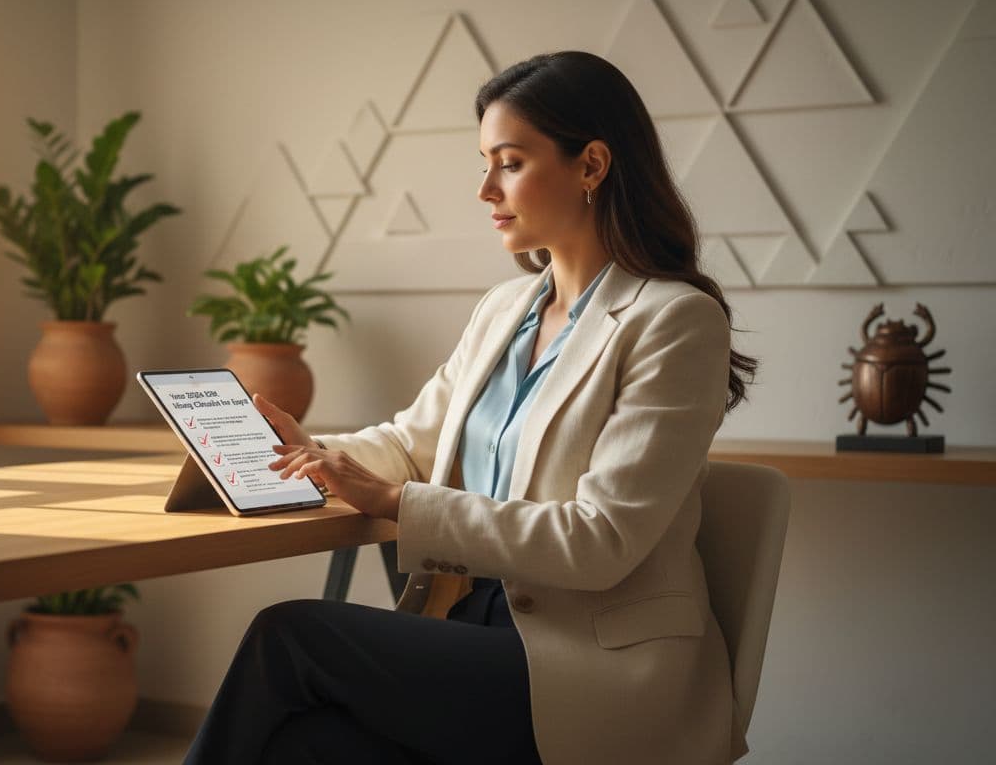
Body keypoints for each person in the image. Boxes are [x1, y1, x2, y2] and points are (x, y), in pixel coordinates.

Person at [182, 50, 758, 765]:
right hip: (470, 625)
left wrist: (398, 501)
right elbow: (413, 441)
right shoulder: (504, 310)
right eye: (485, 162)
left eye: (510, 162)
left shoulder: (674, 321)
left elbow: (600, 541)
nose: (486, 188)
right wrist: (313, 450)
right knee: (301, 743)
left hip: (591, 664)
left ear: (592, 165)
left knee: (290, 636)